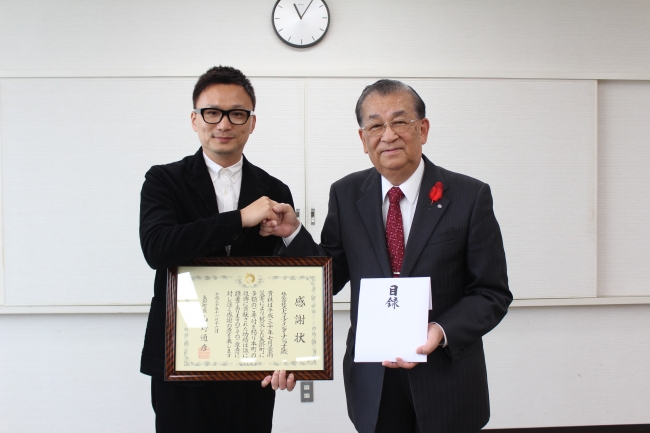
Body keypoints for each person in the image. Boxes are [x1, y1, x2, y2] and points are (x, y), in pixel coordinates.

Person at [262, 79, 512, 433]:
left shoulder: (469, 196)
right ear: (363, 140)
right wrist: (293, 235)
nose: (388, 135)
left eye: (400, 122)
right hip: (372, 378)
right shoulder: (347, 194)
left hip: (445, 373)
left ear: (422, 129)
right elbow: (330, 276)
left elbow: (491, 292)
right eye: (375, 125)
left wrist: (439, 331)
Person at [139, 65, 295, 433]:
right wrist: (239, 219)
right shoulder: (163, 180)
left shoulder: (274, 189)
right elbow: (158, 248)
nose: (224, 123)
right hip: (181, 357)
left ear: (251, 122)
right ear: (195, 119)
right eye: (212, 112)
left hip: (250, 356)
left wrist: (288, 356)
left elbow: (286, 279)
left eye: (237, 113)